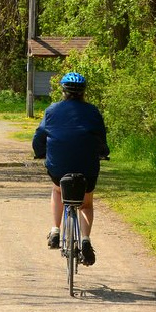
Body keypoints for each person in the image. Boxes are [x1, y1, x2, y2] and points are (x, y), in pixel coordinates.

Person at [32, 72, 110, 265]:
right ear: (83, 92)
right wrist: (103, 152)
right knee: (86, 203)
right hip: (87, 168)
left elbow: (40, 136)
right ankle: (85, 240)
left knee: (58, 190)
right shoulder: (92, 111)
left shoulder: (52, 110)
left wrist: (39, 152)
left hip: (59, 166)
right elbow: (100, 137)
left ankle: (56, 230)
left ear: (63, 91)